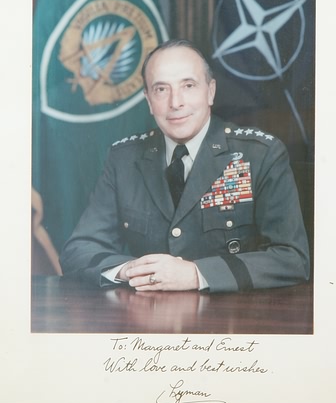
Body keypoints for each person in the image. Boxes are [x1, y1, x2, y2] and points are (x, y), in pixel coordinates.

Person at [60, 39, 310, 292]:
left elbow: (292, 259)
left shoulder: (259, 155)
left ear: (210, 91)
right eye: (161, 89)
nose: (175, 102)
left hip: (233, 321)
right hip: (148, 320)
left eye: (188, 85)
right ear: (148, 100)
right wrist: (131, 270)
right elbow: (78, 250)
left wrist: (196, 274)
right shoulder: (124, 159)